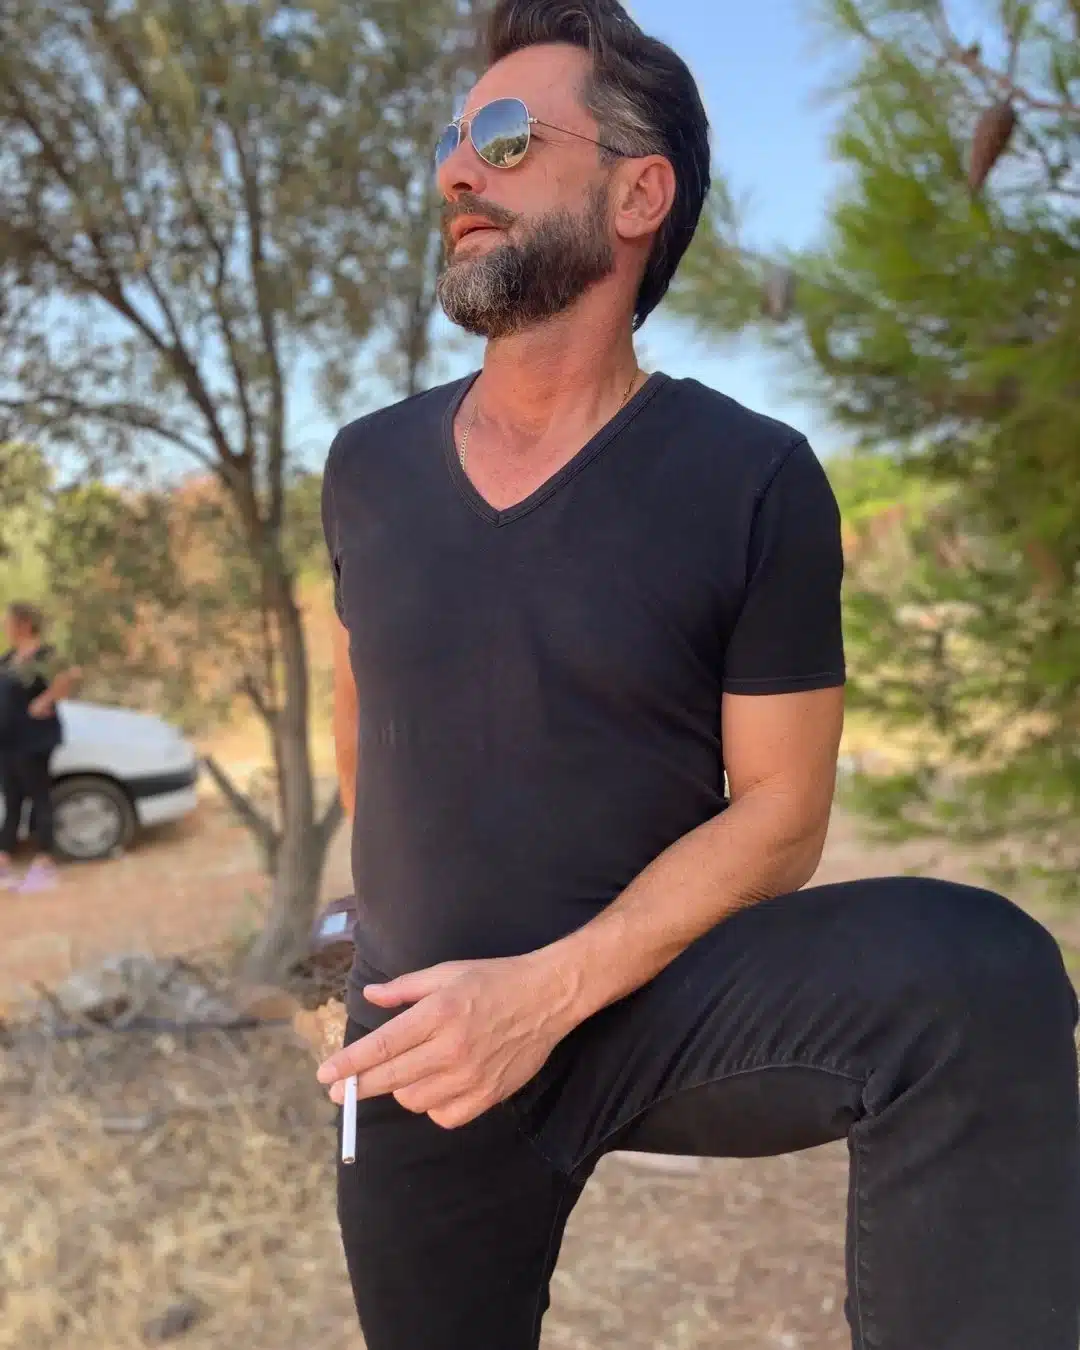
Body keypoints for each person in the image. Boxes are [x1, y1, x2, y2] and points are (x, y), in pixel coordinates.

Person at [316, 3, 1080, 1347]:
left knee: (983, 976)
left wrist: (548, 992)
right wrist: (374, 939)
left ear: (638, 194)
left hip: (651, 999)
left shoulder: (754, 478)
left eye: (507, 136)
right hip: (433, 1042)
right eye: (453, 140)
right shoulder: (367, 465)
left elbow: (782, 812)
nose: (456, 173)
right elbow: (361, 712)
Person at [0, 602, 80, 891]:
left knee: (39, 797)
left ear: (23, 624)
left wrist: (44, 701)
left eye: (7, 621)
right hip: (8, 740)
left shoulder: (46, 654)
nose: (4, 627)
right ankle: (3, 863)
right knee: (12, 801)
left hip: (34, 739)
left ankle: (45, 865)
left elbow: (71, 675)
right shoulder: (8, 658)